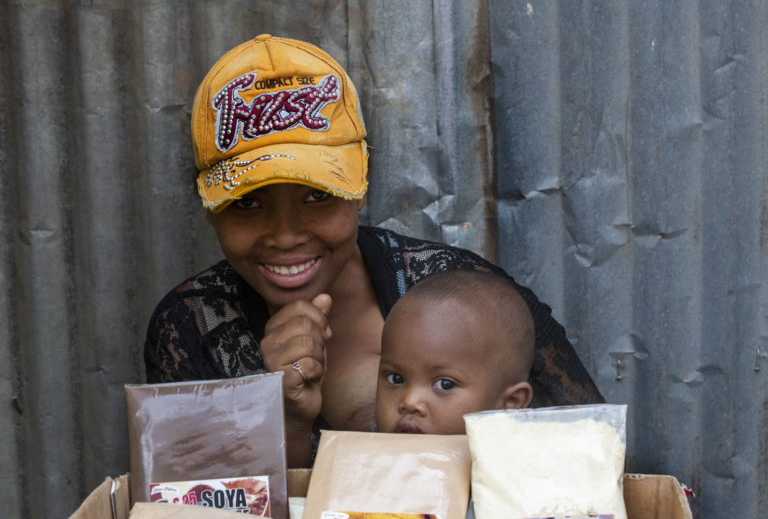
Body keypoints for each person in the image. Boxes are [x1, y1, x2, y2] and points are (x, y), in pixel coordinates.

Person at [143, 34, 604, 468]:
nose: (284, 236)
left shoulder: (468, 301)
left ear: (360, 185)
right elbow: (191, 502)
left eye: (317, 195)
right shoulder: (192, 328)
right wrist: (286, 425)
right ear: (209, 206)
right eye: (247, 202)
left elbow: (596, 460)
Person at [376, 270, 535, 435]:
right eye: (396, 378)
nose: (409, 402)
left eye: (445, 384)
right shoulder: (368, 450)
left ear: (509, 404)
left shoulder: (530, 452)